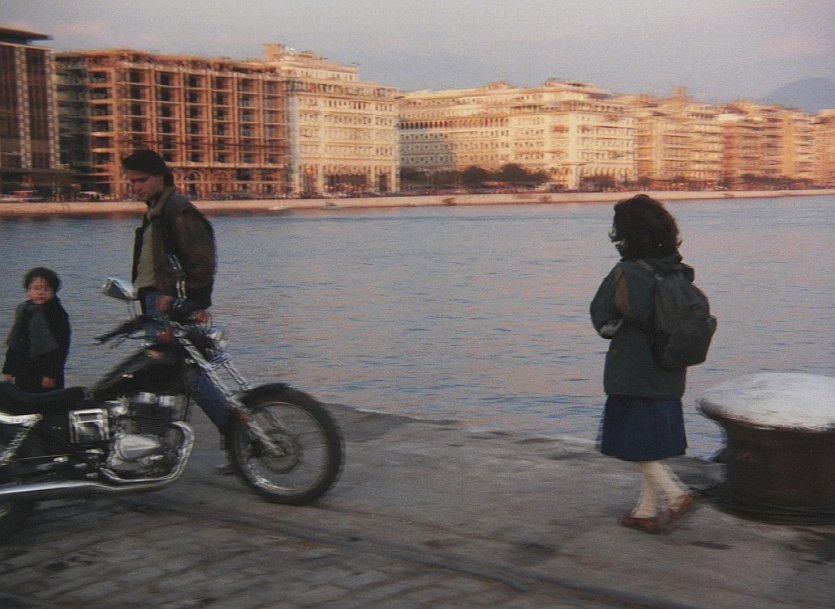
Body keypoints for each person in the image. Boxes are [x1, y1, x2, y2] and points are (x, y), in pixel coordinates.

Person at [590, 194, 700, 534]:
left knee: (634, 441)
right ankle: (645, 512)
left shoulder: (626, 272)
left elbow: (601, 318)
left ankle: (676, 493)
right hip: (669, 368)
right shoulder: (678, 271)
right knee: (651, 441)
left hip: (633, 369)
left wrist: (621, 328)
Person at [121, 149, 230, 437]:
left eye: (142, 180)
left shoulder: (177, 210)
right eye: (132, 181)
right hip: (156, 303)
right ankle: (153, 440)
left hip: (168, 306)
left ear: (160, 177)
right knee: (162, 373)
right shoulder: (156, 210)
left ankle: (237, 433)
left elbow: (201, 261)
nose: (136, 187)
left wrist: (190, 301)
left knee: (184, 374)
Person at [3, 267, 71, 392]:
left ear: (53, 292)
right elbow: (15, 342)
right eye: (37, 288)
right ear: (28, 291)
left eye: (47, 289)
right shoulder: (24, 310)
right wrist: (9, 370)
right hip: (24, 368)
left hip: (47, 370)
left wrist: (51, 374)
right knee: (22, 399)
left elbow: (62, 346)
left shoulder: (56, 313)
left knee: (47, 401)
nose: (41, 293)